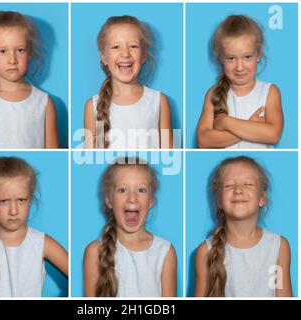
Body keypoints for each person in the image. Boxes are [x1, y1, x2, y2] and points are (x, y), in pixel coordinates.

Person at [0, 157, 68, 297]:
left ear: (31, 199)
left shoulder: (42, 243)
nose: (13, 211)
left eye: (21, 200)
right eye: (4, 201)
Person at [195, 156, 292, 297]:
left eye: (247, 184)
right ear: (219, 201)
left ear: (262, 198)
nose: (238, 190)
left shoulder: (279, 246)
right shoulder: (205, 251)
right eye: (229, 185)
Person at [84, 157, 177, 297]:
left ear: (151, 201)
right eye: (122, 190)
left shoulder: (165, 251)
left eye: (141, 190)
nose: (132, 198)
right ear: (109, 200)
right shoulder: (95, 252)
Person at [0, 11, 59, 148]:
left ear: (30, 53)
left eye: (20, 50)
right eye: (3, 51)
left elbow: (53, 156)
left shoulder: (44, 103)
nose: (12, 60)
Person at [84, 15, 173, 149]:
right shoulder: (92, 106)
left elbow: (170, 155)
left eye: (133, 46)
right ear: (104, 57)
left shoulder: (159, 101)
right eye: (116, 47)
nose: (125, 53)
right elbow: (89, 160)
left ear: (144, 55)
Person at [197, 15, 283, 149]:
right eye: (231, 58)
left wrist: (225, 122)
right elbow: (203, 140)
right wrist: (251, 126)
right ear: (221, 58)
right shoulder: (213, 94)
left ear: (258, 55)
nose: (239, 67)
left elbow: (273, 135)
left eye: (247, 57)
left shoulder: (270, 92)